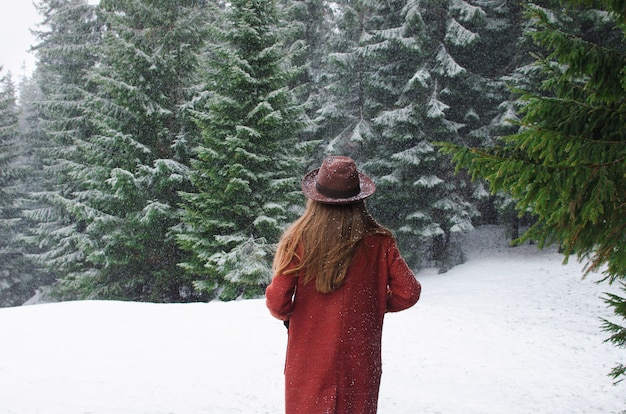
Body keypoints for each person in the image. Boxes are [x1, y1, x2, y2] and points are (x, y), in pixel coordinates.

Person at [265, 155, 421, 414]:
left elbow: (278, 301)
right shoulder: (379, 242)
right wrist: (371, 305)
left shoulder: (299, 240)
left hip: (310, 358)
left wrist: (297, 315)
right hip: (359, 358)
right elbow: (409, 292)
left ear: (315, 198)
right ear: (358, 200)